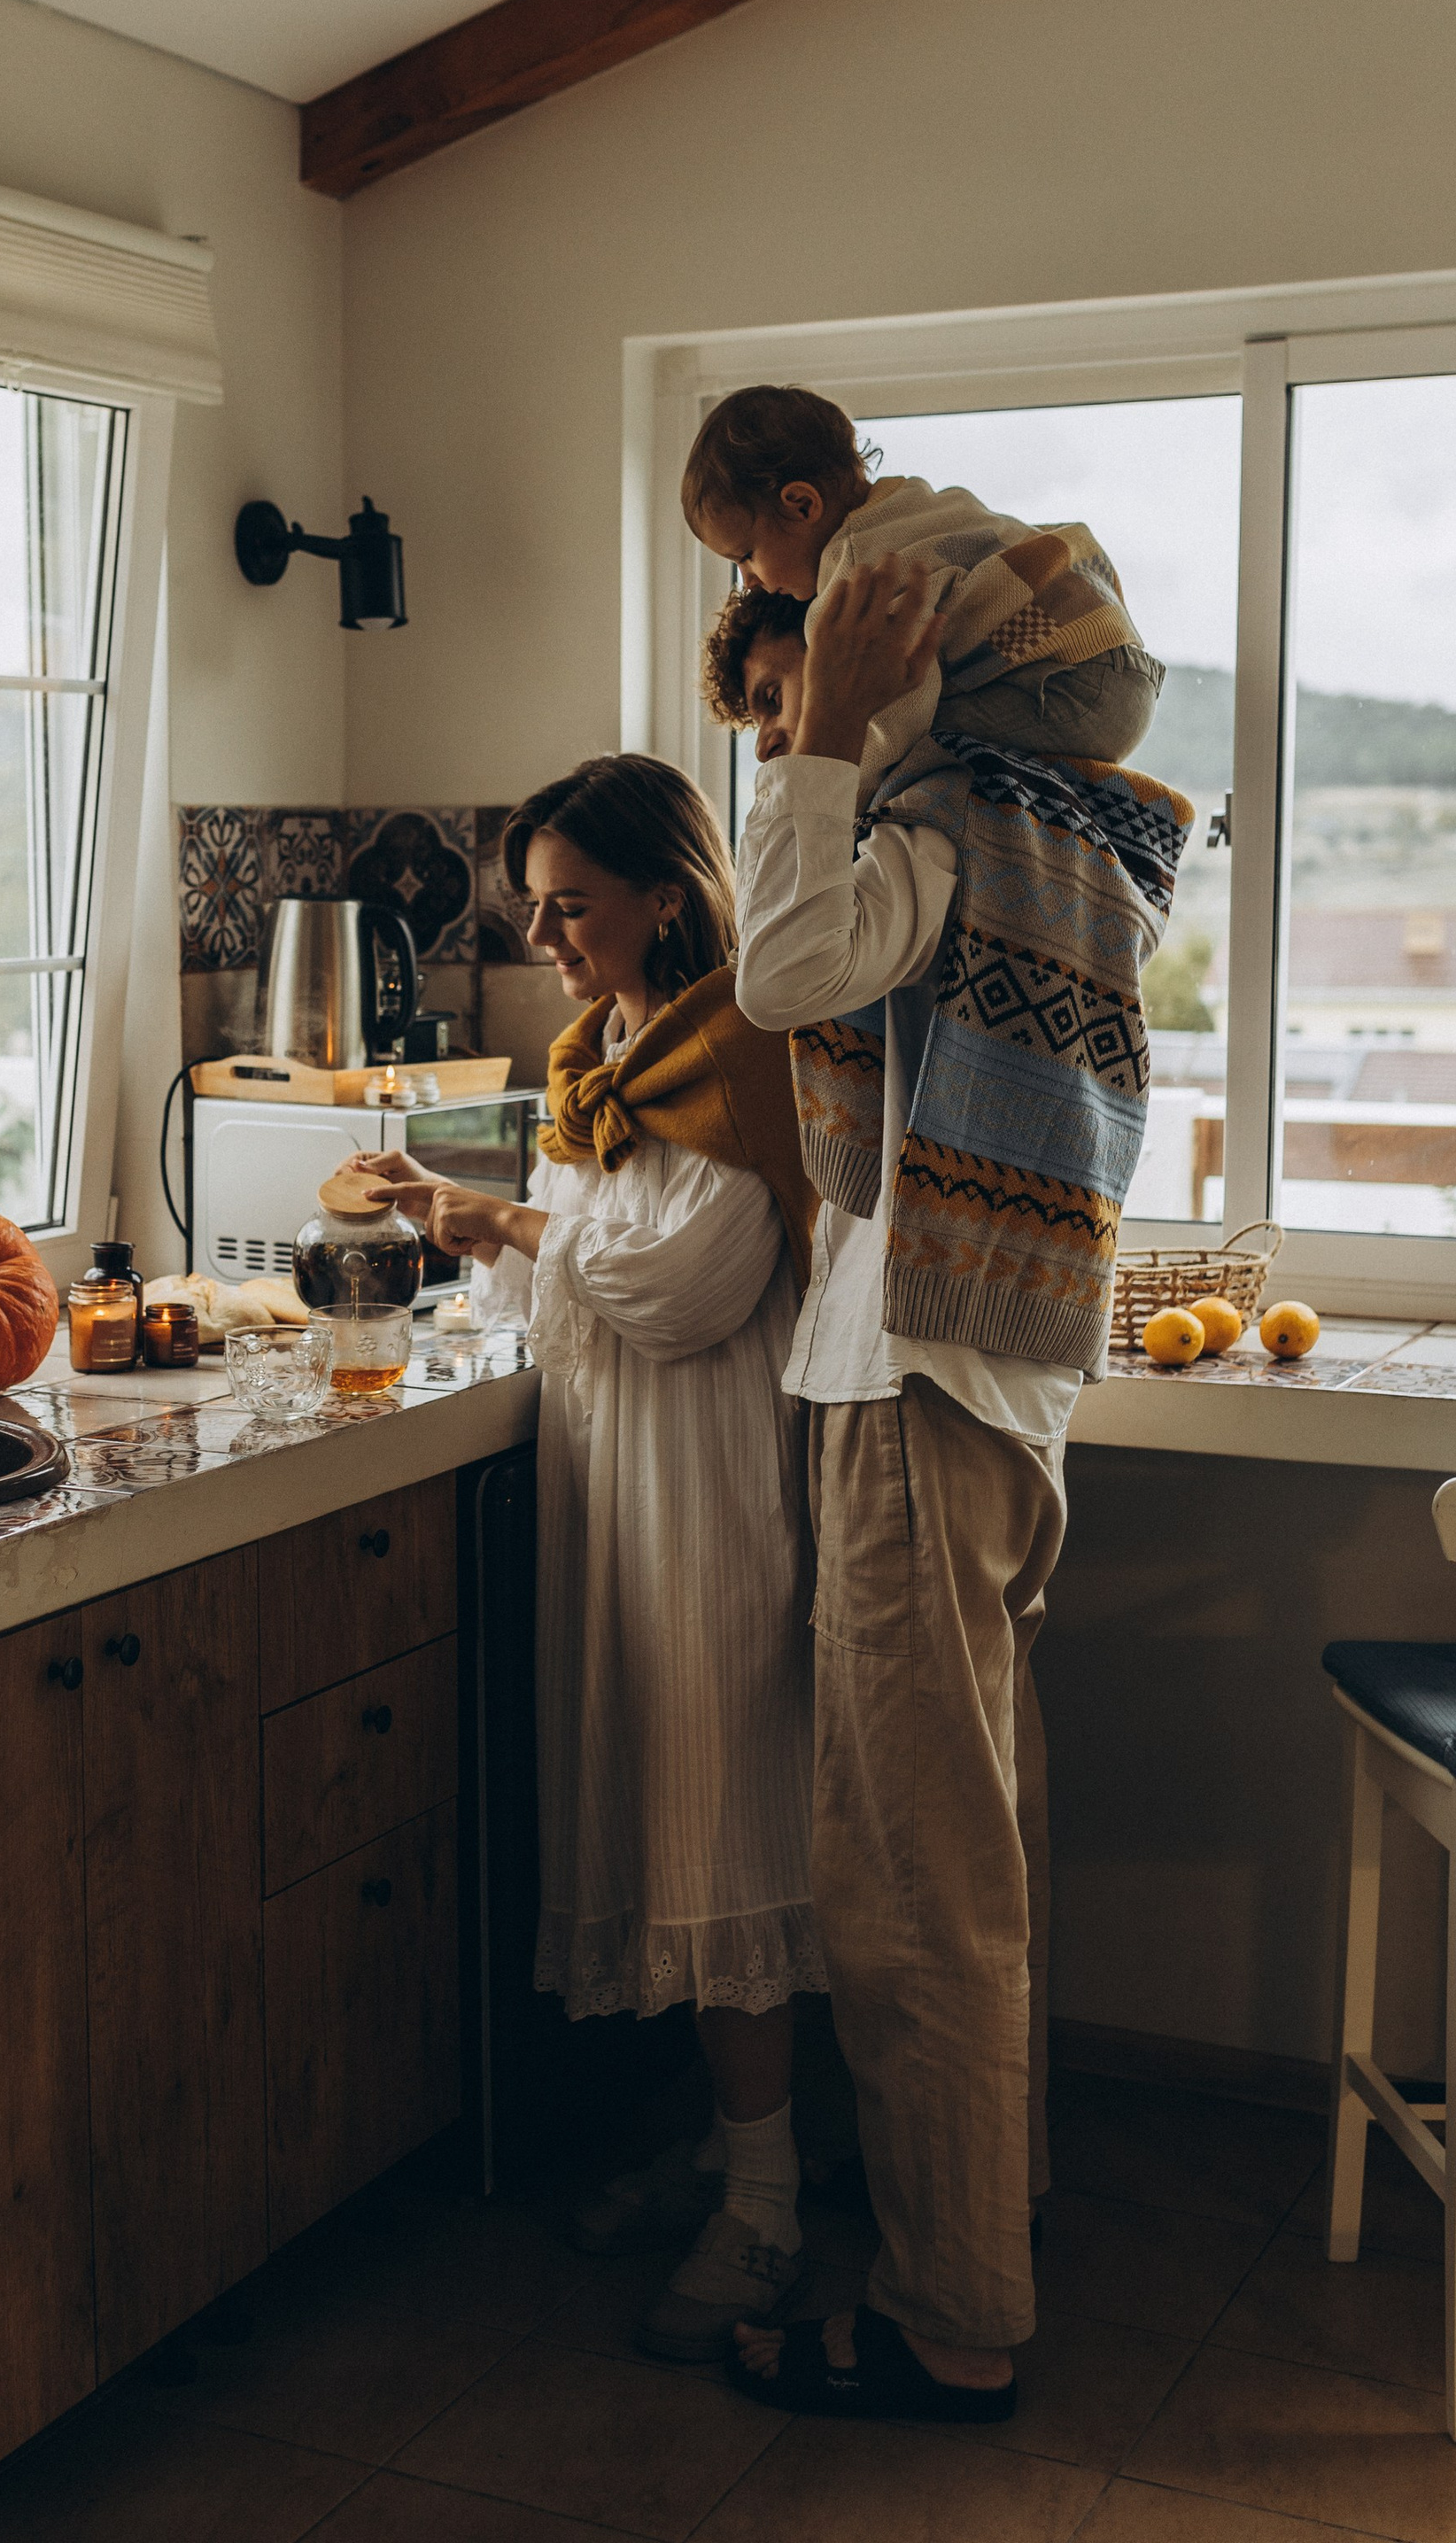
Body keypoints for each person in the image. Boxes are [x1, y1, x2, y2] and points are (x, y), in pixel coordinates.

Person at [720, 530, 1193, 2428]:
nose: (783, 719)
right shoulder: (1063, 838)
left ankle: (948, 2316)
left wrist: (822, 732)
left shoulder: (941, 840)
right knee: (967, 1850)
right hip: (975, 1380)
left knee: (910, 1880)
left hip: (910, 1380)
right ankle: (982, 2219)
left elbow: (773, 972)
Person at [363, 755, 823, 2364]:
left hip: (707, 1480)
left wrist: (500, 1226)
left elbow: (683, 1284)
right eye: (534, 906)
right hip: (614, 1471)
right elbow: (583, 1273)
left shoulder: (740, 1050)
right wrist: (463, 1224)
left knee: (720, 1820)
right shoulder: (606, 1052)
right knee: (659, 1807)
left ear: (668, 899)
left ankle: (769, 2214)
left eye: (571, 906)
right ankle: (731, 2153)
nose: (545, 936)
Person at [683, 380, 1164, 768]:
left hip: (1070, 686)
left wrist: (844, 802)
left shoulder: (852, 578)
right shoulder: (914, 504)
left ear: (802, 504)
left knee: (914, 752)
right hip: (1117, 660)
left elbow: (893, 717)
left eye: (745, 554)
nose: (747, 580)